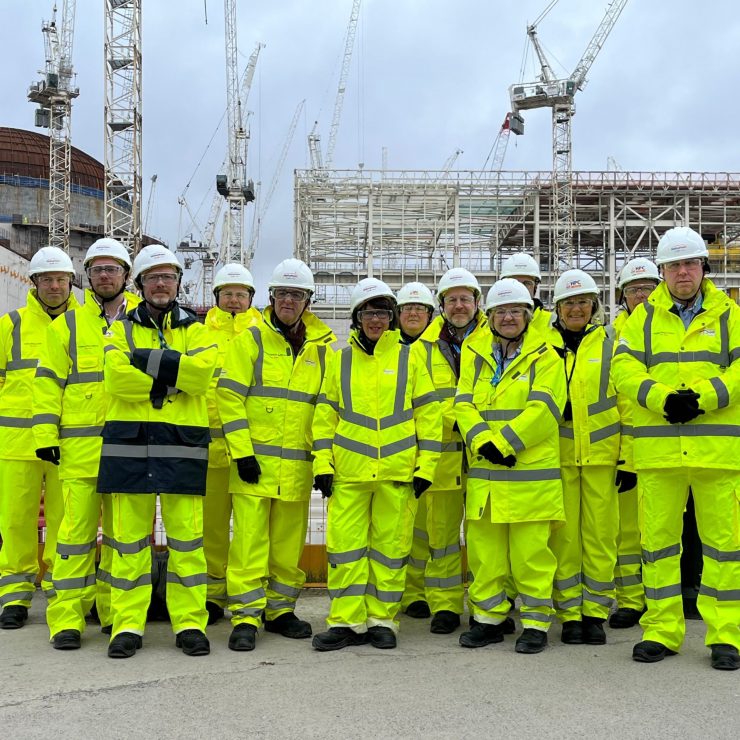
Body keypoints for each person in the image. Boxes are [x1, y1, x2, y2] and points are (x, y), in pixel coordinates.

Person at [612, 226, 740, 671]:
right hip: (661, 453)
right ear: (662, 270)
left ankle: (726, 635)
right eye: (673, 265)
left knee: (723, 547)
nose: (682, 272)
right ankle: (662, 630)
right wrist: (662, 398)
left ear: (704, 267)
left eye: (689, 263)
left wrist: (701, 398)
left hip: (715, 452)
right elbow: (623, 368)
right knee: (659, 547)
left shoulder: (730, 314)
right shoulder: (642, 318)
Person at [98, 245, 217, 658]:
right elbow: (116, 381)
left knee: (187, 542)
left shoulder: (200, 331)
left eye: (168, 277)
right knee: (128, 542)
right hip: (131, 444)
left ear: (178, 283)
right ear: (141, 284)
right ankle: (128, 624)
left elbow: (202, 378)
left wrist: (144, 364)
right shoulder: (120, 329)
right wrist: (172, 377)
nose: (161, 284)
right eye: (153, 278)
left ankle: (189, 624)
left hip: (182, 445)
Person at [311, 277, 442, 651]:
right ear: (357, 317)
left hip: (398, 475)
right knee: (346, 551)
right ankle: (346, 622)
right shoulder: (340, 360)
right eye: (370, 313)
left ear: (392, 318)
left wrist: (426, 468)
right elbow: (325, 416)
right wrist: (322, 463)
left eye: (383, 313)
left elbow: (428, 416)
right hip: (349, 474)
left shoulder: (410, 358)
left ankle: (383, 620)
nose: (377, 321)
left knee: (390, 551)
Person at [216, 258, 336, 652]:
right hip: (254, 466)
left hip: (298, 467)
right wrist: (242, 452)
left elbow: (327, 405)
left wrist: (322, 460)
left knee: (288, 544)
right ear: (270, 298)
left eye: (296, 294)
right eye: (282, 293)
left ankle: (281, 610)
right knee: (248, 544)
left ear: (308, 300)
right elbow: (229, 397)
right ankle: (247, 616)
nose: (288, 300)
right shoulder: (249, 340)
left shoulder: (323, 348)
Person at [34, 238, 140, 649]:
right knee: (73, 536)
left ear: (126, 276)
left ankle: (114, 613)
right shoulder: (67, 326)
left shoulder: (143, 322)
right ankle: (66, 619)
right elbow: (47, 385)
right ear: (88, 277)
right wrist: (45, 436)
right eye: (97, 270)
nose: (105, 276)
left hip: (128, 447)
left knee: (123, 538)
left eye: (113, 269)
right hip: (79, 452)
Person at [455, 279, 566, 653]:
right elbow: (463, 403)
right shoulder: (477, 356)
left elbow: (546, 409)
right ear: (488, 318)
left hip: (528, 479)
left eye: (515, 311)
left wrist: (504, 442)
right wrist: (481, 439)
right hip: (486, 477)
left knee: (531, 557)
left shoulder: (547, 356)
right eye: (500, 312)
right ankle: (489, 620)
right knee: (486, 557)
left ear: (528, 316)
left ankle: (535, 622)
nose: (508, 318)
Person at [404, 268, 488, 634]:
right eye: (451, 299)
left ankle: (489, 605)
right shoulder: (421, 350)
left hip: (487, 455)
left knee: (485, 537)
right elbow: (419, 403)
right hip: (442, 456)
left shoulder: (495, 340)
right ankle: (446, 606)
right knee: (440, 538)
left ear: (476, 303)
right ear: (441, 305)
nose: (458, 305)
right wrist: (458, 420)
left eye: (465, 299)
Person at [0, 246, 79, 629]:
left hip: (67, 444)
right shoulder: (10, 325)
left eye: (60, 279)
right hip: (16, 445)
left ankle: (59, 591)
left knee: (68, 523)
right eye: (46, 279)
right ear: (33, 283)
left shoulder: (84, 326)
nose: (53, 286)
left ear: (71, 284)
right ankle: (14, 596)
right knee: (15, 522)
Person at [547, 269, 620, 646]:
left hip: (602, 455)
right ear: (557, 308)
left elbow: (626, 402)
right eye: (569, 303)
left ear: (594, 306)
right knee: (564, 539)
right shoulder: (543, 346)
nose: (576, 309)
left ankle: (594, 612)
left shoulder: (611, 343)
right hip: (557, 455)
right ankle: (569, 613)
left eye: (583, 302)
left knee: (600, 537)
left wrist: (630, 458)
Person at [202, 263, 261, 626]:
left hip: (252, 451)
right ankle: (211, 595)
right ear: (217, 298)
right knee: (211, 528)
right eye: (228, 294)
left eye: (241, 294)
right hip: (209, 450)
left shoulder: (263, 334)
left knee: (251, 531)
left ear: (251, 298)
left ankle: (252, 595)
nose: (235, 301)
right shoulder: (198, 333)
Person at [608, 257, 660, 630]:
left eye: (647, 289)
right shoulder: (612, 336)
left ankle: (665, 601)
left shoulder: (667, 330)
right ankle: (631, 599)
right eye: (633, 290)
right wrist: (625, 456)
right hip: (628, 447)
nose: (641, 296)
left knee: (659, 532)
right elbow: (618, 400)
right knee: (626, 532)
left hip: (666, 445)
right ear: (622, 297)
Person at [395, 281, 436, 619]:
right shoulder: (386, 348)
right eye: (407, 309)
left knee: (428, 531)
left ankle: (422, 592)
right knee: (402, 531)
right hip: (396, 455)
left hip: (432, 452)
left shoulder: (441, 348)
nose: (413, 314)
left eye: (419, 309)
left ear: (429, 315)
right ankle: (407, 593)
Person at [499, 252, 552, 335]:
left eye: (527, 283)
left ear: (535, 286)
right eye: (514, 282)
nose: (520, 288)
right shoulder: (493, 323)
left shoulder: (553, 323)